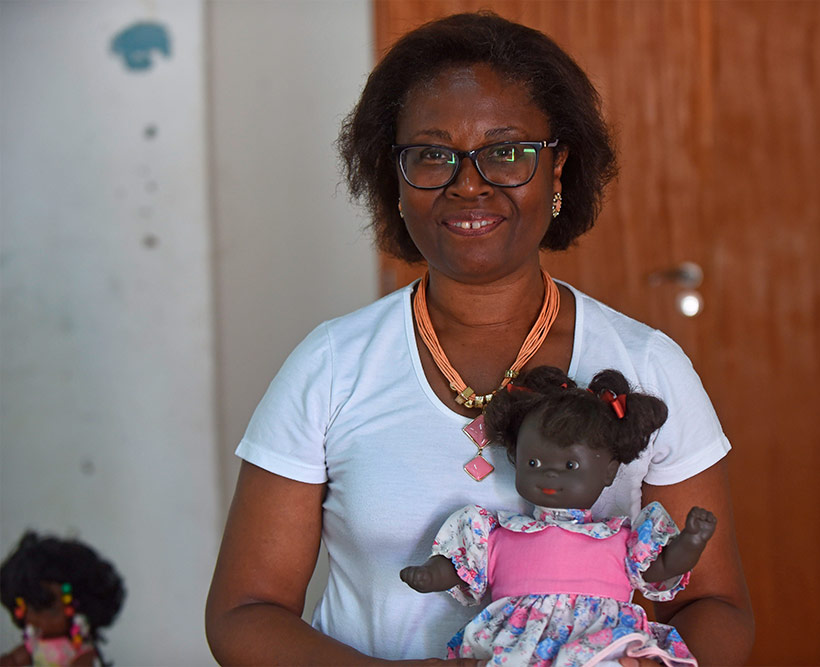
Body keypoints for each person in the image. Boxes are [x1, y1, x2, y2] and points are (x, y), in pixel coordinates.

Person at [205, 10, 753, 665]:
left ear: (558, 172)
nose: (469, 183)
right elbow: (244, 611)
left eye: (508, 151)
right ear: (396, 180)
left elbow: (715, 604)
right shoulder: (331, 365)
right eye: (433, 154)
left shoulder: (646, 364)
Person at [401, 366, 717, 665]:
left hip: (599, 644)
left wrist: (690, 542)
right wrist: (433, 574)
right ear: (515, 459)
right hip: (517, 648)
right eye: (534, 464)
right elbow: (463, 565)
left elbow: (659, 568)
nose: (549, 475)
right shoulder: (496, 533)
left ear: (609, 472)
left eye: (569, 466)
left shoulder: (622, 539)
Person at [0, 531, 125, 667]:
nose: (38, 619)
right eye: (30, 609)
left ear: (79, 609)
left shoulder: (78, 647)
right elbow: (13, 660)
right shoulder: (34, 644)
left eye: (52, 611)